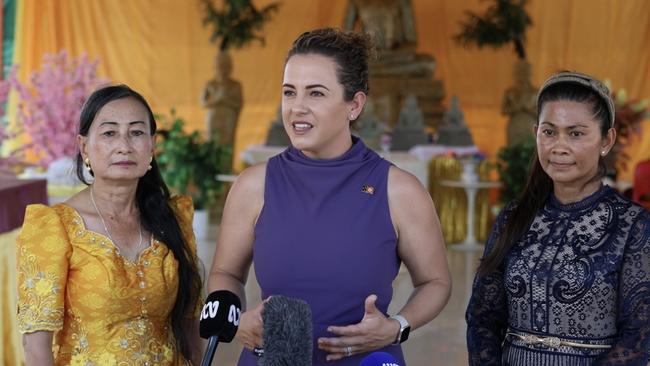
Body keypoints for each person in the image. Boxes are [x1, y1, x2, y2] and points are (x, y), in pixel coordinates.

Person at [207, 28, 451, 365]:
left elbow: (436, 282)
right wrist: (237, 320)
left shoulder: (399, 189)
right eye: (289, 92)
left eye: (316, 94)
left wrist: (397, 326)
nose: (297, 108)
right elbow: (226, 274)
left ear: (354, 104)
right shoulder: (253, 185)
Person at [466, 71, 650, 365]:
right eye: (549, 132)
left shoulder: (632, 225)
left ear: (607, 139)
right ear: (536, 132)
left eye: (576, 133)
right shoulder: (515, 216)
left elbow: (639, 337)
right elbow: (482, 318)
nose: (559, 146)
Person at [17, 85, 203, 365]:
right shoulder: (56, 227)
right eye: (109, 133)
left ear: (152, 146)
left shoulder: (172, 218)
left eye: (137, 133)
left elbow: (190, 326)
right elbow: (35, 348)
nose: (124, 145)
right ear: (84, 147)